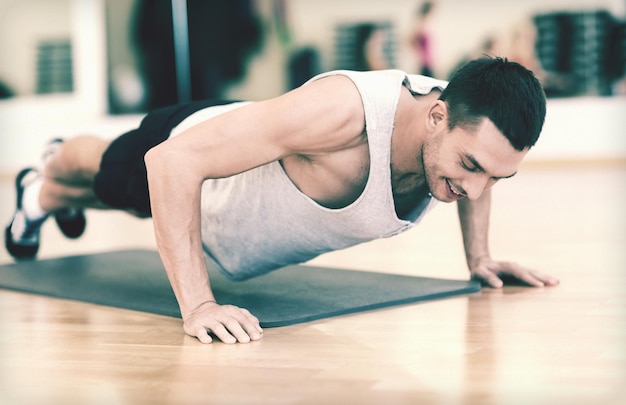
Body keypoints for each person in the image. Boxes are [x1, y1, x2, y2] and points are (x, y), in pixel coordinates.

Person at [5, 56, 560, 344]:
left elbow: (478, 172)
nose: (476, 189)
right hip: (185, 150)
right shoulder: (344, 114)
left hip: (230, 207)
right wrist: (199, 306)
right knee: (107, 176)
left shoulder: (459, 128)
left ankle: (49, 193)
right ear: (436, 117)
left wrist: (479, 257)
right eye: (470, 167)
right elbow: (170, 164)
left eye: (496, 178)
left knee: (122, 201)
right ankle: (48, 175)